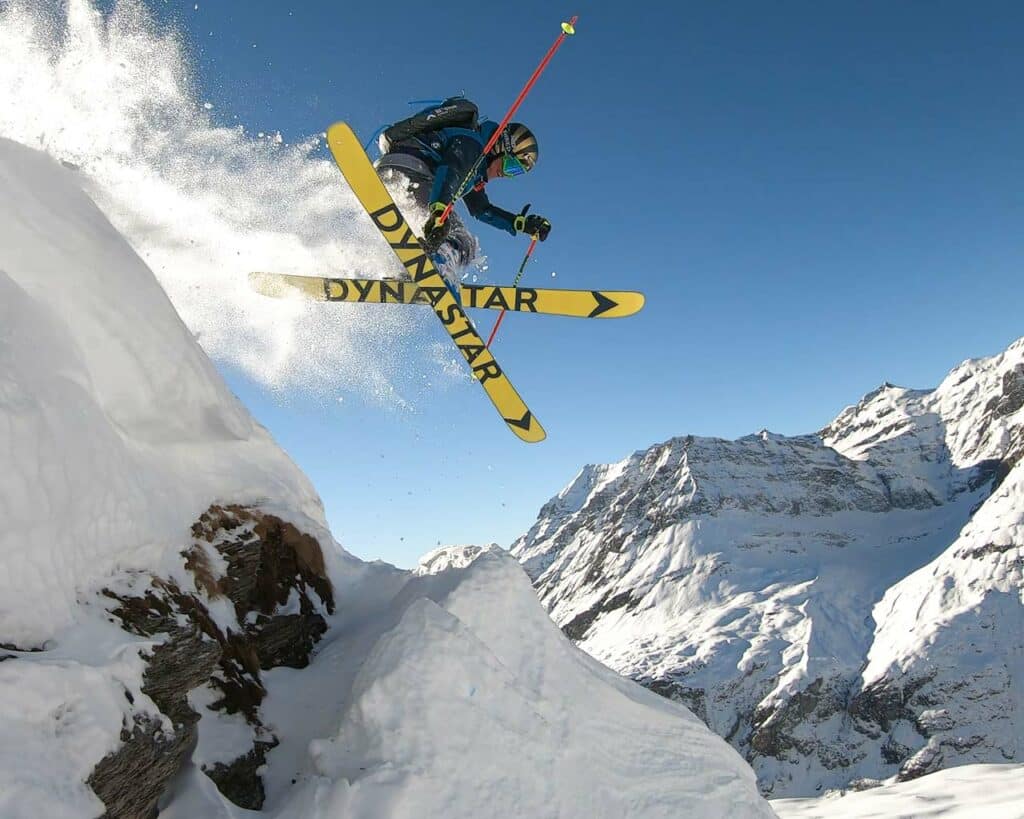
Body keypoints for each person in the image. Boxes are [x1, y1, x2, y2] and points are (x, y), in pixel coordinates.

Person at [374, 97, 552, 281]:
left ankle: (400, 268)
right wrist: (439, 210)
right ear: (500, 148)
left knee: (429, 231)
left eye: (515, 172)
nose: (505, 174)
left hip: (393, 172)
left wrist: (519, 223)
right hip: (412, 173)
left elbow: (481, 209)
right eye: (510, 166)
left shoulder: (474, 168)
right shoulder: (472, 144)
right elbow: (451, 169)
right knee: (463, 241)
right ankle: (434, 267)